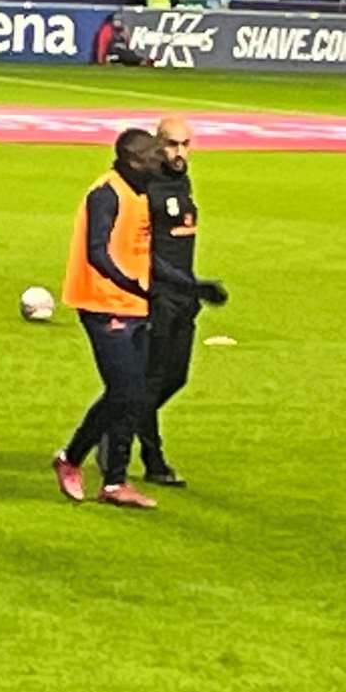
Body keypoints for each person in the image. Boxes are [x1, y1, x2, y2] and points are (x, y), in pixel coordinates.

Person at [53, 129, 227, 509]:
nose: (159, 162)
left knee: (134, 394)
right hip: (103, 305)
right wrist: (134, 286)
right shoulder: (107, 194)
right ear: (132, 160)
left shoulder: (139, 194)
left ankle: (115, 482)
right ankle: (71, 457)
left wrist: (194, 287)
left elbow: (149, 258)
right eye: (151, 157)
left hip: (133, 305)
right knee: (127, 391)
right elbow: (96, 253)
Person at [136, 116, 222, 486]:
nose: (180, 152)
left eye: (186, 144)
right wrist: (192, 285)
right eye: (172, 144)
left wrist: (191, 289)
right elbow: (144, 252)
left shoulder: (181, 181)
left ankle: (115, 424)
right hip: (156, 297)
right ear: (157, 145)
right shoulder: (146, 188)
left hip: (184, 298)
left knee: (176, 377)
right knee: (152, 378)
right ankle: (152, 459)